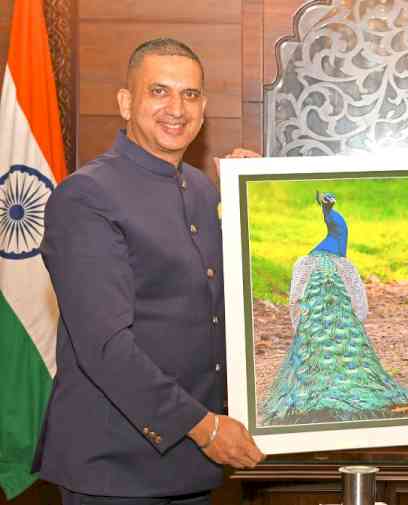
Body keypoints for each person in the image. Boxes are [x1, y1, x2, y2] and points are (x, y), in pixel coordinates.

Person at [32, 38, 263, 505]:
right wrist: (206, 427)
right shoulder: (86, 197)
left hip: (193, 465)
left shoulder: (203, 191)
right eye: (159, 91)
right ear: (124, 102)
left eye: (191, 95)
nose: (176, 108)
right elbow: (105, 347)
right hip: (114, 469)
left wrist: (256, 197)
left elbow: (231, 307)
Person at [261, 192, 408, 425]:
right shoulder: (345, 266)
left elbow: (296, 300)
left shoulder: (305, 263)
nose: (329, 205)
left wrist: (301, 326)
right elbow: (359, 308)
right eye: (328, 203)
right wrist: (354, 321)